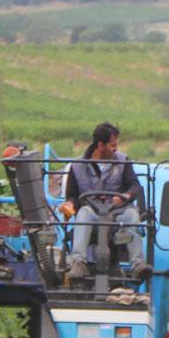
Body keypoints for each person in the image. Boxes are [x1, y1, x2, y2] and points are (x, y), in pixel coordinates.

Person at [59, 122, 148, 284]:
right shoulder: (77, 166)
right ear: (100, 145)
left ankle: (137, 265)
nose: (116, 149)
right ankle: (78, 262)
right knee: (83, 212)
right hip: (93, 213)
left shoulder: (123, 161)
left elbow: (135, 186)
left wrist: (125, 196)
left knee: (132, 214)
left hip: (118, 214)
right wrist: (70, 204)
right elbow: (71, 195)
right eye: (113, 145)